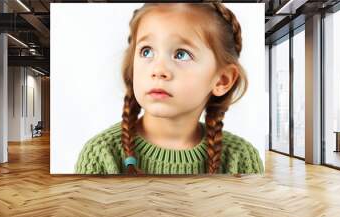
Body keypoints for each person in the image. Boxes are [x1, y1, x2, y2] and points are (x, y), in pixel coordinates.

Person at [75, 2, 264, 175]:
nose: (158, 70)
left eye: (181, 54)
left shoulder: (241, 158)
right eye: (146, 51)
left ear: (222, 80)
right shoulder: (101, 154)